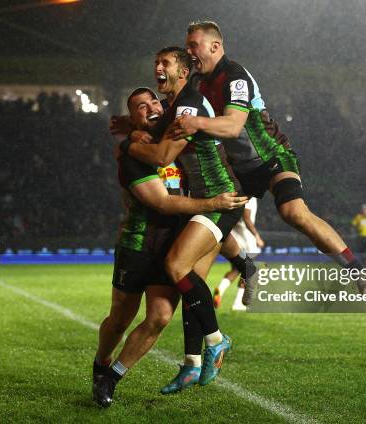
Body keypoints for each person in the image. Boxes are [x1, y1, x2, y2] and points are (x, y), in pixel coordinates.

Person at [174, 21, 366, 296]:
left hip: (272, 156)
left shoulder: (235, 76)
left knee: (293, 213)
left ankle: (356, 270)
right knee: (212, 226)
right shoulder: (199, 82)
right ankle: (247, 269)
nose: (189, 51)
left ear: (215, 46)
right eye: (187, 46)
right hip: (237, 169)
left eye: (193, 45)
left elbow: (233, 126)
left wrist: (196, 122)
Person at [93, 87, 248, 407]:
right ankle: (102, 361)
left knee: (160, 318)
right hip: (137, 243)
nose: (150, 107)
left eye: (154, 102)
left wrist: (240, 256)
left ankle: (113, 377)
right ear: (133, 115)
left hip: (171, 243)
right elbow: (163, 203)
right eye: (139, 106)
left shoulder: (176, 139)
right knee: (119, 320)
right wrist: (213, 202)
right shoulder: (131, 152)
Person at [120, 46, 245, 390]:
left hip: (222, 198)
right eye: (155, 62)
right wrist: (132, 130)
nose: (157, 67)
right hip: (209, 199)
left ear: (183, 72)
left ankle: (217, 341)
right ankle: (191, 363)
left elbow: (162, 156)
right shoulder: (175, 106)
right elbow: (149, 128)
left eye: (165, 63)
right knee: (191, 282)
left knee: (177, 266)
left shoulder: (188, 103)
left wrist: (129, 146)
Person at [213, 196, 264, 311]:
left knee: (237, 269)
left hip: (234, 237)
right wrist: (257, 236)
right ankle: (238, 303)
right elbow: (247, 219)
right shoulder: (249, 197)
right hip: (246, 239)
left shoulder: (236, 194)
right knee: (248, 270)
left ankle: (220, 289)